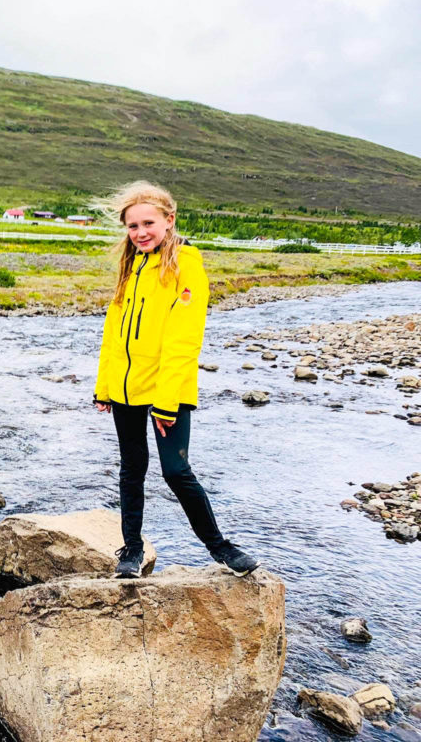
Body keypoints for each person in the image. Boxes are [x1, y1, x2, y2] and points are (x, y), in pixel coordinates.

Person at [92, 181, 259, 578]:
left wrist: (166, 402)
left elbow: (183, 342)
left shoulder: (187, 266)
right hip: (127, 388)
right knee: (132, 469)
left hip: (169, 389)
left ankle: (221, 548)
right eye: (132, 226)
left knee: (176, 471)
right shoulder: (131, 267)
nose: (140, 233)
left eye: (148, 223)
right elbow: (112, 334)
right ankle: (130, 552)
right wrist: (104, 386)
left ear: (169, 220)